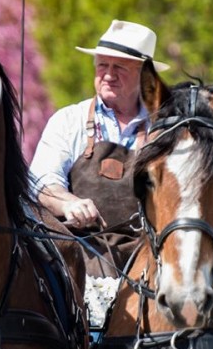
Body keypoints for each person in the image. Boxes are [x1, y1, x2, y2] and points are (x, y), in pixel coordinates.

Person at [30, 20, 170, 277]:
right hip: (80, 257)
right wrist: (68, 203)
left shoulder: (165, 129)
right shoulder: (69, 120)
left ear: (144, 75)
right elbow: (41, 182)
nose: (108, 74)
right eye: (102, 65)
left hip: (150, 260)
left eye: (120, 67)